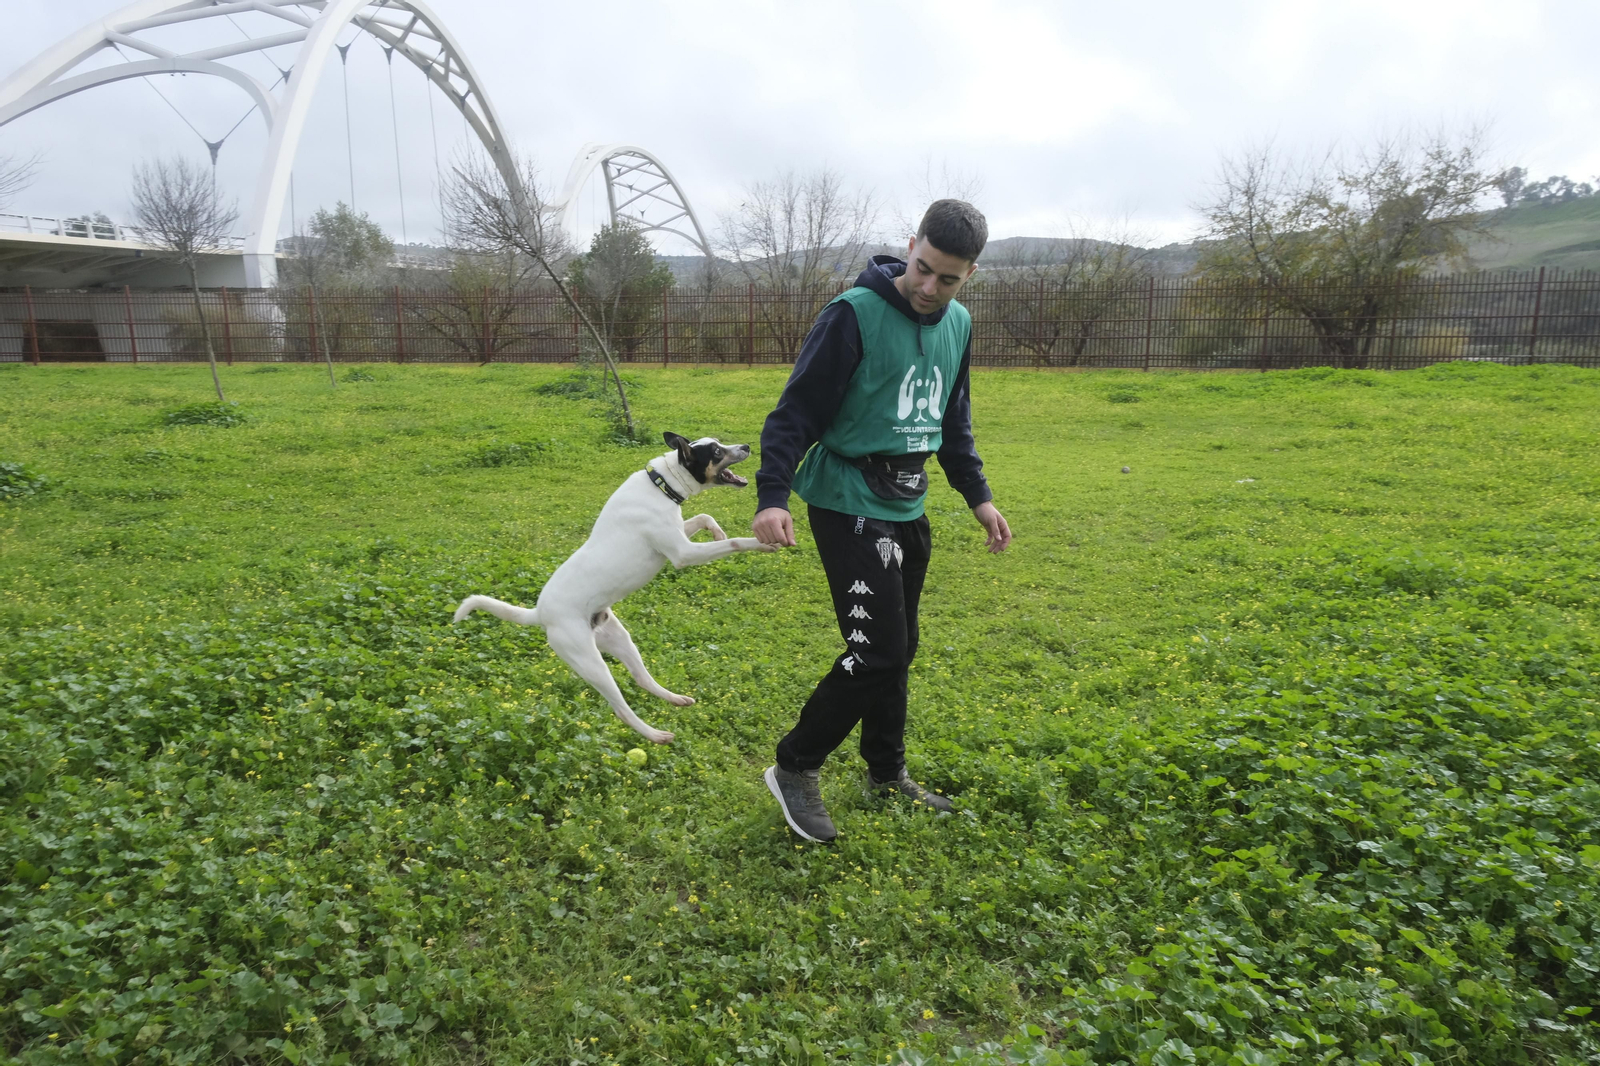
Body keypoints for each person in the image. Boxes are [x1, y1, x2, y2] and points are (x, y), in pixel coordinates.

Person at [752, 199, 1011, 843]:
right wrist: (772, 496)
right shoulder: (853, 315)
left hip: (908, 498)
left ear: (970, 275)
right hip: (845, 496)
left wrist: (978, 496)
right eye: (923, 268)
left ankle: (885, 772)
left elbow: (952, 419)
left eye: (947, 279)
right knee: (876, 652)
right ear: (911, 244)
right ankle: (795, 765)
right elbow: (794, 414)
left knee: (900, 648)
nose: (928, 288)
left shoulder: (958, 325)